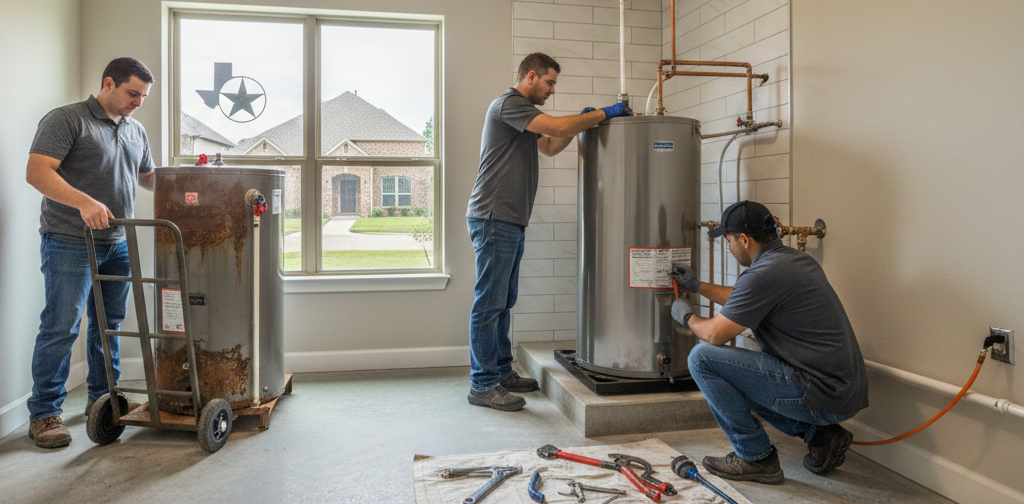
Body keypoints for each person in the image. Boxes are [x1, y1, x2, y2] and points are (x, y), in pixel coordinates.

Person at [465, 52, 631, 411]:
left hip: (509, 219)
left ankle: (500, 371)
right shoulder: (508, 104)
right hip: (494, 217)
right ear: (530, 77)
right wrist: (602, 113)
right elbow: (555, 127)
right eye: (549, 82)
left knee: (503, 302)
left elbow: (553, 145)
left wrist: (584, 123)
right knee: (489, 304)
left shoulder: (522, 118)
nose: (552, 90)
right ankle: (482, 384)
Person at [669, 200, 868, 484]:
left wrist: (686, 316)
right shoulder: (789, 261)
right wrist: (697, 287)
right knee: (734, 376)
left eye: (728, 241)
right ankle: (820, 436)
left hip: (823, 395)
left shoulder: (763, 274)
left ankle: (755, 457)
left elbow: (715, 334)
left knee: (702, 358)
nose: (729, 248)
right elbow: (742, 296)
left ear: (744, 240)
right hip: (839, 389)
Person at [24, 57, 155, 448]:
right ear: (108, 83)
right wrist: (84, 202)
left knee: (108, 326)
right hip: (69, 241)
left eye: (144, 96)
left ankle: (103, 401)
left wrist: (194, 185)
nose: (138, 102)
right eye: (133, 93)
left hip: (118, 244)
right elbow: (38, 171)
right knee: (61, 326)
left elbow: (148, 178)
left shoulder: (136, 130)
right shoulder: (67, 119)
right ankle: (44, 414)